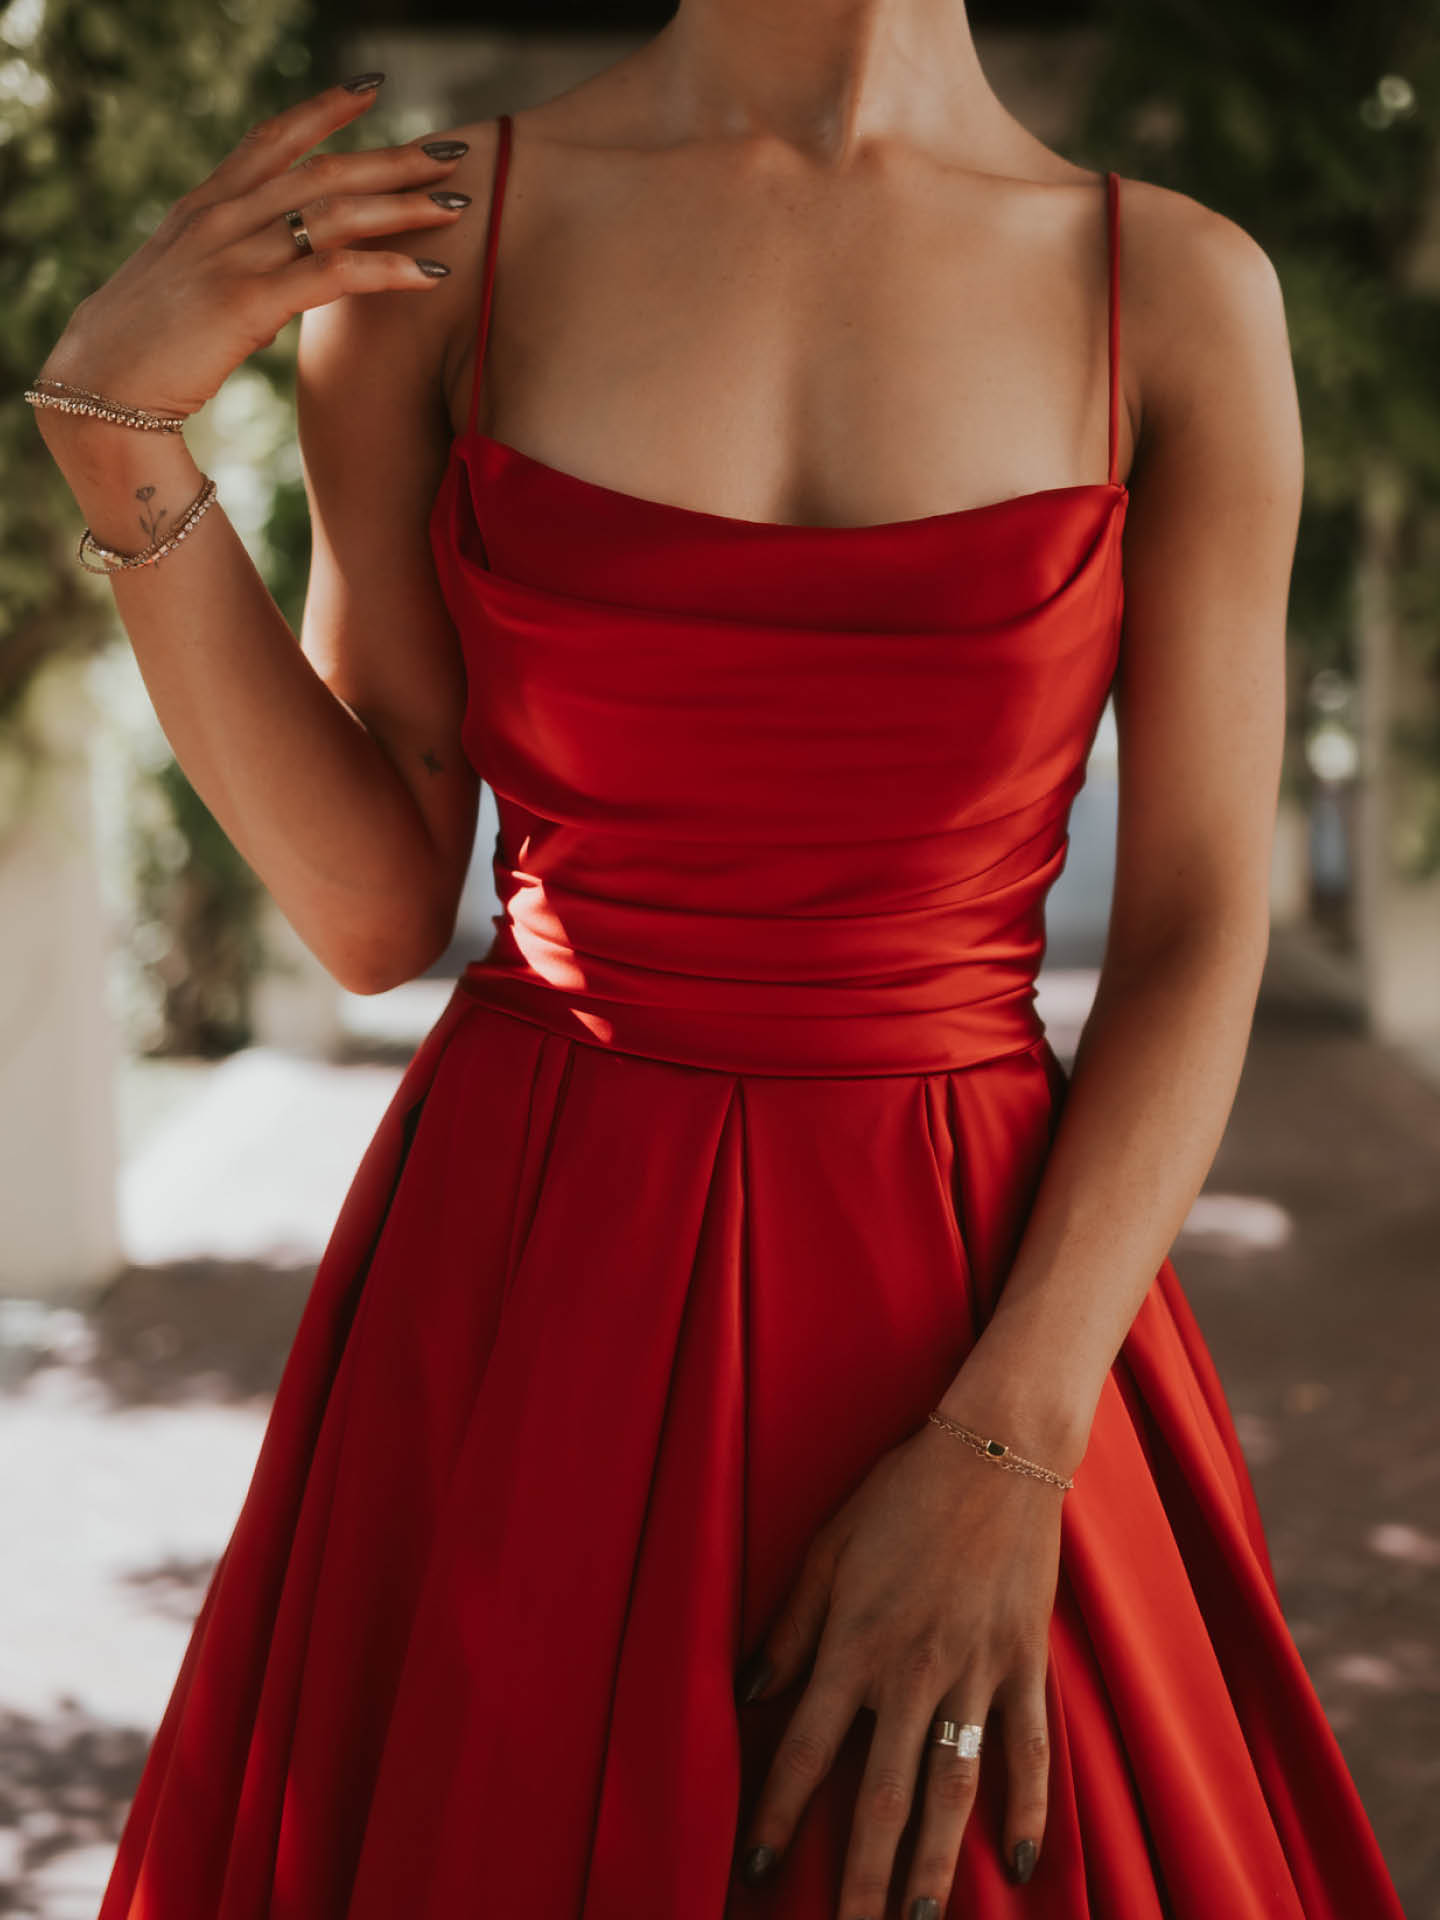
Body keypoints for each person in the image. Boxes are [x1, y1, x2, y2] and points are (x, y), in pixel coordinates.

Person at [29, 7, 1407, 1917]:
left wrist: (1012, 1448)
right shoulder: (441, 248)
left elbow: (1190, 932)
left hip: (983, 1297)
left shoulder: (1170, 287)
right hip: (529, 1286)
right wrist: (120, 442)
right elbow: (369, 909)